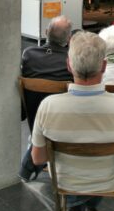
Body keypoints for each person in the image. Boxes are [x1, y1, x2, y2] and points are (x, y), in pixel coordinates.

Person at [31, 32, 114, 211]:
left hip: (65, 180)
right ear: (104, 66)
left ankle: (76, 204)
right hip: (111, 180)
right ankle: (82, 205)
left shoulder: (48, 106)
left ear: (69, 65)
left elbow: (38, 158)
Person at [19, 16, 74, 181]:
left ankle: (33, 159)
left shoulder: (28, 54)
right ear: (69, 38)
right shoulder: (70, 61)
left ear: (45, 32)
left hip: (34, 117)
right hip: (62, 121)